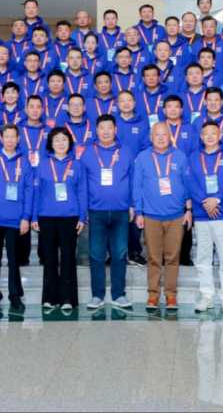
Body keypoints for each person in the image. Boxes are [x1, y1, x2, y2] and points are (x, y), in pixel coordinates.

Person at [133, 121, 191, 310]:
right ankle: (153, 295)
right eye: (156, 135)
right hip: (151, 216)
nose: (160, 138)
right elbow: (137, 187)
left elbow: (187, 185)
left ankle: (171, 295)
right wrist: (139, 212)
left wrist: (188, 210)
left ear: (170, 137)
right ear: (151, 137)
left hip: (176, 216)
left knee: (173, 257)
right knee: (154, 257)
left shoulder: (180, 156)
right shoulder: (142, 157)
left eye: (164, 134)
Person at [80, 115, 134, 310]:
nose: (105, 131)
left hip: (121, 211)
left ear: (115, 130)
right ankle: (97, 295)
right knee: (96, 255)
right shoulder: (88, 153)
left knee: (119, 254)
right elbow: (83, 184)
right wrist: (83, 210)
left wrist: (133, 205)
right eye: (102, 128)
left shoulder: (125, 152)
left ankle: (119, 294)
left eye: (109, 128)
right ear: (96, 130)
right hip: (96, 211)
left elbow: (133, 179)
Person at [32, 127, 88, 312]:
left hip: (70, 217)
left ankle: (68, 298)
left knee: (68, 258)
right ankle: (49, 298)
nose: (61, 143)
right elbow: (36, 192)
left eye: (64, 139)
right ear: (51, 143)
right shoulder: (42, 164)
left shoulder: (77, 165)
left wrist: (82, 216)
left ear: (69, 143)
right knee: (49, 258)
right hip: (46, 216)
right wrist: (34, 216)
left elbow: (82, 192)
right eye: (57, 140)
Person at [186, 120, 223, 313]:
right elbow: (190, 182)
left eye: (213, 133)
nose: (209, 137)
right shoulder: (194, 156)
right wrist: (205, 201)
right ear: (201, 137)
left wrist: (216, 199)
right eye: (206, 134)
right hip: (202, 215)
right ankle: (207, 295)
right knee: (203, 258)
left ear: (219, 135)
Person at [0, 124, 32, 313]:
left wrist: (26, 217)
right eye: (6, 136)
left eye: (13, 137)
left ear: (18, 139)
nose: (10, 140)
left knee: (14, 260)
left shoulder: (24, 162)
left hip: (16, 220)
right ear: (1, 139)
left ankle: (15, 296)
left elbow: (29, 191)